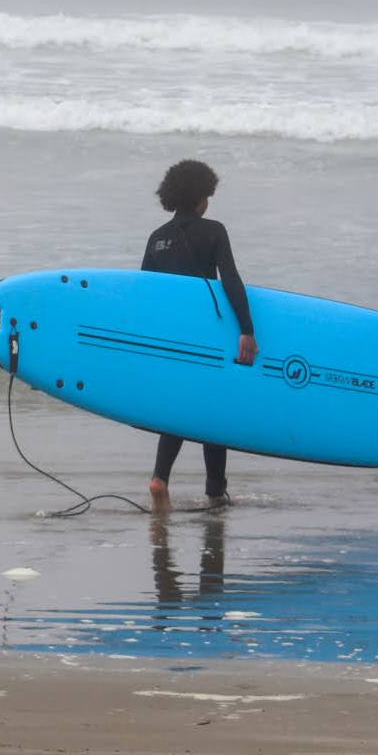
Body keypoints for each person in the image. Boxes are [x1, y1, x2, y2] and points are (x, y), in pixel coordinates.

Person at [141, 158, 258, 510]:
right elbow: (231, 280)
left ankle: (160, 478)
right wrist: (247, 330)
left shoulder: (156, 238)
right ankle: (215, 491)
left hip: (169, 336)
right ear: (200, 197)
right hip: (207, 333)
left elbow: (145, 294)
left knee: (176, 407)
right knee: (213, 410)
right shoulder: (214, 231)